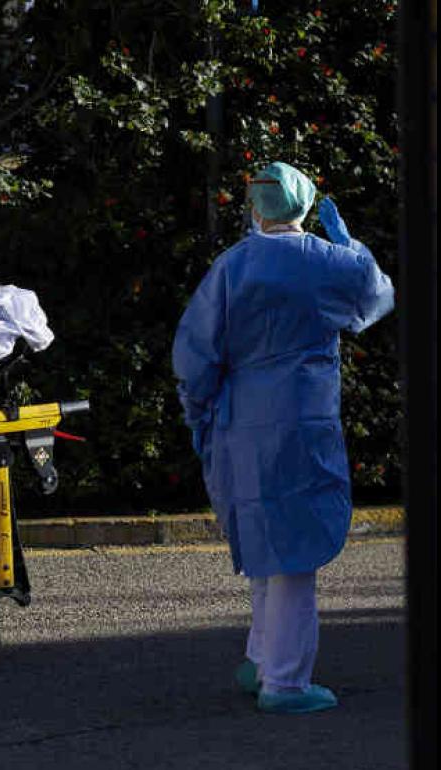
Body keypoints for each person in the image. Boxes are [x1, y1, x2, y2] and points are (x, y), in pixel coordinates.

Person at [171, 162, 394, 715]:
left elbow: (196, 354)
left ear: (255, 208)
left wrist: (199, 413)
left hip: (240, 418)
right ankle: (286, 683)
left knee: (265, 539)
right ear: (304, 203)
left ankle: (263, 659)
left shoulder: (231, 267)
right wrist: (352, 245)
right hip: (301, 418)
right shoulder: (327, 263)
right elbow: (376, 294)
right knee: (294, 551)